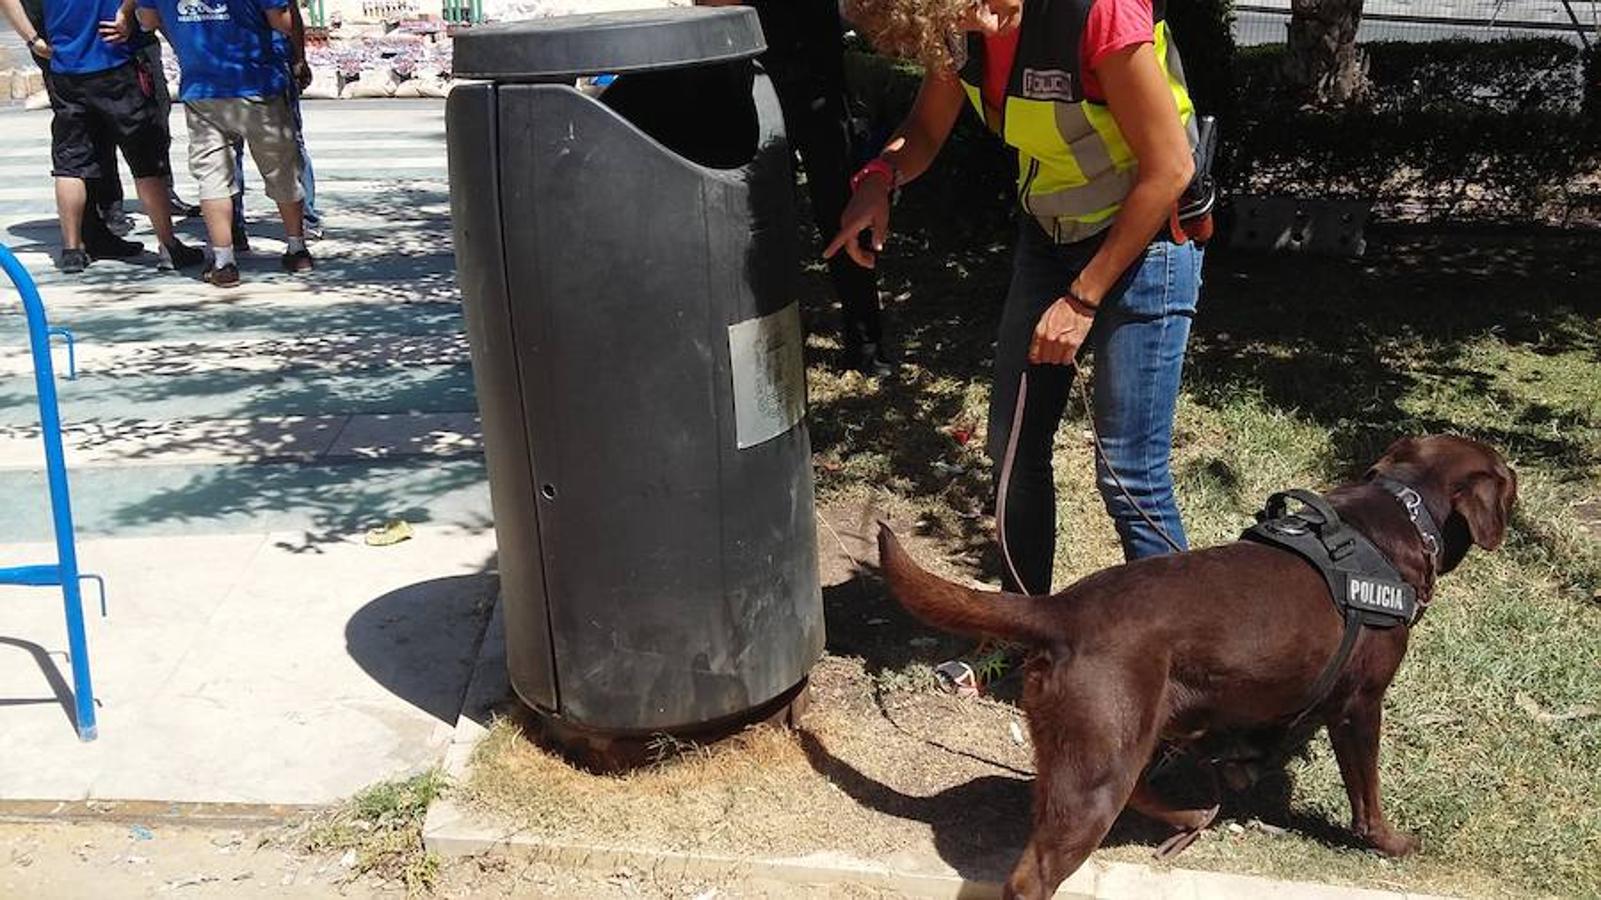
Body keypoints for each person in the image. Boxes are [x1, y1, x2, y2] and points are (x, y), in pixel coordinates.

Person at [827, 0, 1207, 693]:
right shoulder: (959, 26)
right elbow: (924, 128)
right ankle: (1027, 640)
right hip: (1050, 238)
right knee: (1011, 453)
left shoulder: (1098, 13)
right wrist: (877, 181)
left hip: (1148, 241)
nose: (947, 41)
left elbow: (1169, 168)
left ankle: (1185, 680)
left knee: (1128, 471)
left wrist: (1082, 298)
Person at [696, 0, 892, 375]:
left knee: (843, 209)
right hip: (752, 84)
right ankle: (776, 331)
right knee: (765, 218)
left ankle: (866, 342)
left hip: (818, 85)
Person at [1, 0, 202, 273]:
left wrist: (32, 39)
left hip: (65, 66)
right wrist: (125, 13)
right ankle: (168, 245)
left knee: (70, 163)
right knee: (145, 162)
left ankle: (72, 249)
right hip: (115, 62)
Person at [135, 0, 313, 288]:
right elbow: (283, 21)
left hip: (202, 88)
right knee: (281, 168)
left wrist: (183, 35)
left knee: (213, 176)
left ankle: (224, 261)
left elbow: (147, 18)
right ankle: (297, 249)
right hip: (258, 82)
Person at [231, 0, 322, 251]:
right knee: (288, 146)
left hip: (236, 72)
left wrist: (298, 57)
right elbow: (287, 16)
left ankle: (233, 227)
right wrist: (298, 57)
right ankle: (301, 224)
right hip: (263, 69)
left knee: (229, 152)